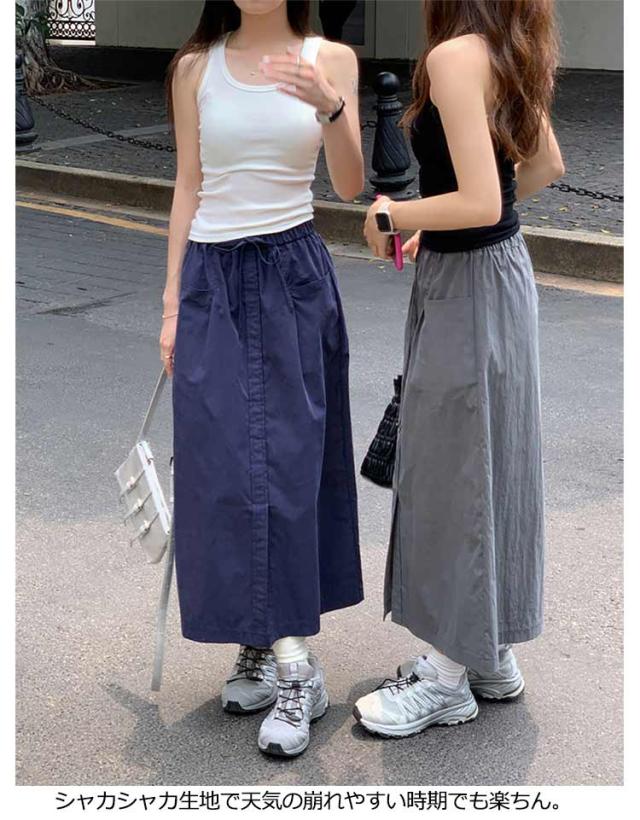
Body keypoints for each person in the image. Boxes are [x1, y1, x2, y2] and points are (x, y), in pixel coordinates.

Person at [354, 0, 564, 738]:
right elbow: (540, 168)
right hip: (499, 272)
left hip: (470, 285)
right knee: (487, 462)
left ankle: (446, 680)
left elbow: (478, 199)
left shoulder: (453, 57)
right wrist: (443, 224)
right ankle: (489, 654)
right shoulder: (513, 45)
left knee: (452, 472)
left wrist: (392, 215)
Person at [160, 0, 364, 758]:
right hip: (212, 278)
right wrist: (171, 304)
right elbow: (188, 184)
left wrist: (331, 105)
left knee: (285, 469)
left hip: (291, 276)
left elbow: (349, 185)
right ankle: (262, 640)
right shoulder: (195, 68)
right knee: (222, 469)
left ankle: (296, 667)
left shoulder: (329, 58)